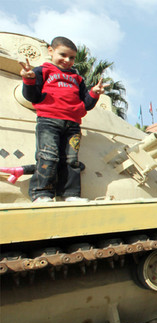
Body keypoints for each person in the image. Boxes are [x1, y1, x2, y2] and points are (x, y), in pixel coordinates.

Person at [20, 36, 107, 202]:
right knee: (47, 156)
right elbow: (32, 96)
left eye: (72, 57)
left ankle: (70, 194)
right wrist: (29, 79)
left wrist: (94, 93)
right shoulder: (42, 71)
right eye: (63, 55)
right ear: (50, 51)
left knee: (71, 160)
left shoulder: (77, 79)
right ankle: (41, 193)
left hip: (73, 123)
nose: (67, 60)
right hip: (49, 120)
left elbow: (86, 104)